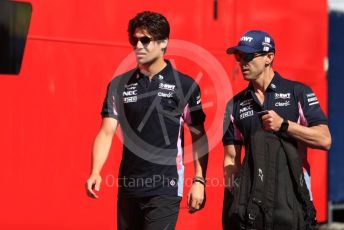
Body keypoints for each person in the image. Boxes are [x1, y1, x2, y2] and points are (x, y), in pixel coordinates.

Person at [86, 11, 209, 230]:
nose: (138, 46)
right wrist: (95, 171)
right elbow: (106, 132)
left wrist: (199, 181)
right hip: (128, 186)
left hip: (166, 187)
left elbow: (199, 135)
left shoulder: (185, 85)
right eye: (134, 40)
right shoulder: (119, 84)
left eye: (145, 40)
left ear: (163, 43)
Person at [222, 30, 331, 229]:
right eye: (238, 57)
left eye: (248, 56)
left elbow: (324, 139)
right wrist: (232, 201)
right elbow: (231, 159)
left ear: (269, 58)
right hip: (252, 204)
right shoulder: (235, 105)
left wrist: (285, 125)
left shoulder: (297, 92)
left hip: (293, 199)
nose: (241, 63)